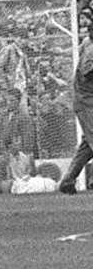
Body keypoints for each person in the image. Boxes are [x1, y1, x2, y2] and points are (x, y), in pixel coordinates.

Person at [60, 18, 93, 193]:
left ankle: (67, 181)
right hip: (87, 101)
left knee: (87, 146)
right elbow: (87, 73)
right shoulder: (91, 50)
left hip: (87, 100)